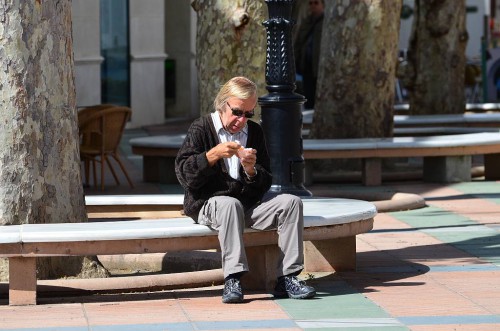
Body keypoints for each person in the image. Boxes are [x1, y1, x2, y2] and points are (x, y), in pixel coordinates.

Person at [175, 76, 316, 304]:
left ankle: (287, 278)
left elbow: (265, 180)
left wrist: (251, 171)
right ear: (223, 103)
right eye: (238, 112)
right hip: (209, 203)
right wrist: (213, 155)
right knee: (229, 204)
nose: (242, 120)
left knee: (291, 202)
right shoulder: (201, 128)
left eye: (248, 114)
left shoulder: (255, 132)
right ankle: (233, 278)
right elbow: (184, 175)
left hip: (247, 205)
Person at [294, 0, 325, 109]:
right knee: (308, 94)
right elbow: (298, 43)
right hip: (307, 64)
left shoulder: (326, 23)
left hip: (321, 66)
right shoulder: (306, 22)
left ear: (322, 5)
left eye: (316, 3)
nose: (313, 5)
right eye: (311, 3)